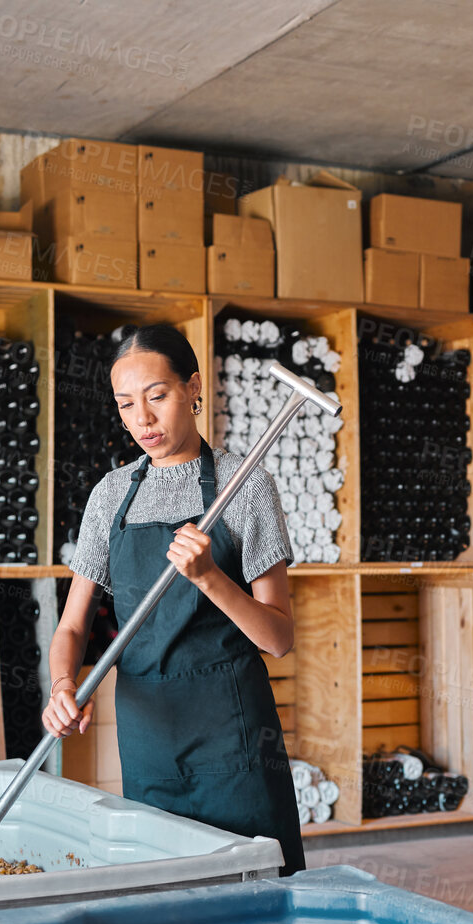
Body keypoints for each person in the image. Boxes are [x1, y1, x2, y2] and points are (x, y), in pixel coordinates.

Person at [44, 324, 306, 875]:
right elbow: (70, 628)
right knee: (164, 890)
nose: (142, 420)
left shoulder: (245, 484)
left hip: (232, 734)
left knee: (254, 886)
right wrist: (64, 685)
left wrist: (210, 577)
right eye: (125, 405)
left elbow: (279, 639)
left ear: (192, 388)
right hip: (149, 734)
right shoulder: (110, 495)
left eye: (157, 397)